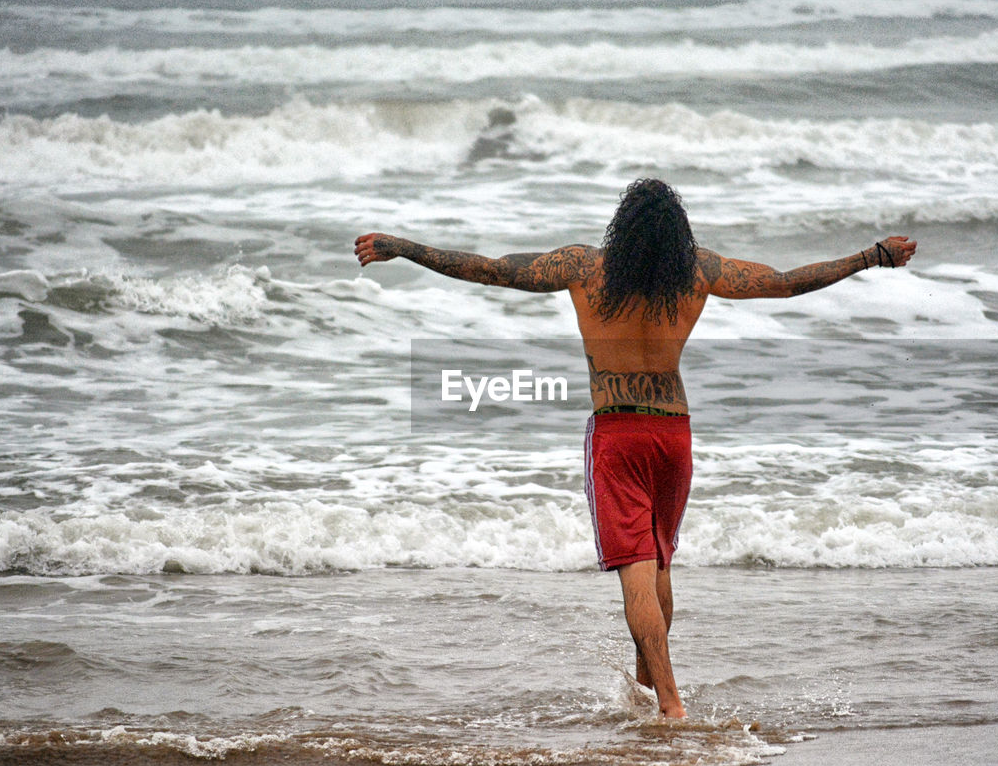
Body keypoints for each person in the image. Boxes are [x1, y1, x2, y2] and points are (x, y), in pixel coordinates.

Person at [355, 179, 917, 719]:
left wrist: (404, 248)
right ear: (678, 234)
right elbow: (787, 281)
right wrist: (872, 256)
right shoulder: (698, 274)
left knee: (636, 573)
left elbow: (491, 270)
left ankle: (670, 703)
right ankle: (647, 690)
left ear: (621, 228)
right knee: (660, 567)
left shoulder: (583, 268)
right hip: (673, 436)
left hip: (617, 435)